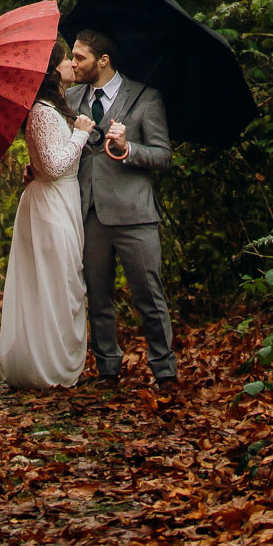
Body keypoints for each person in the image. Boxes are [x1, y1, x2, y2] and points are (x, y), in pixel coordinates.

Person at [66, 28, 176, 390]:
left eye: (79, 57)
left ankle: (165, 371)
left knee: (149, 296)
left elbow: (162, 155)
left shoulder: (146, 97)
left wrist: (129, 150)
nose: (72, 63)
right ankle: (107, 369)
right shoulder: (70, 98)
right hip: (89, 212)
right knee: (97, 297)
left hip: (135, 215)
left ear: (103, 61)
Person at [0, 39, 95, 387]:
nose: (71, 64)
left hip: (60, 199)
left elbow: (45, 158)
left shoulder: (53, 106)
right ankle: (47, 365)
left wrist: (34, 164)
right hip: (50, 203)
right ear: (52, 69)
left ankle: (52, 358)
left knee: (62, 280)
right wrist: (81, 136)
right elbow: (54, 166)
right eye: (66, 58)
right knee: (56, 282)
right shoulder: (41, 110)